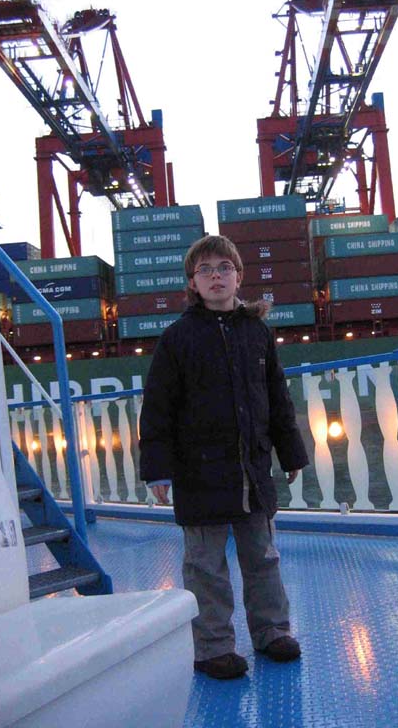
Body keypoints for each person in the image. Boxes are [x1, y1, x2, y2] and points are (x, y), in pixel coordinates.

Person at [139, 234, 310, 680]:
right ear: (192, 283)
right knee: (205, 567)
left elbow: (277, 398)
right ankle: (213, 647)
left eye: (224, 268)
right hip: (198, 473)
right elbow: (157, 409)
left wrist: (291, 452)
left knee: (263, 558)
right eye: (205, 270)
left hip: (252, 469)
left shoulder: (258, 333)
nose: (216, 276)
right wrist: (157, 469)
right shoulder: (177, 338)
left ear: (239, 276)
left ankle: (272, 631)